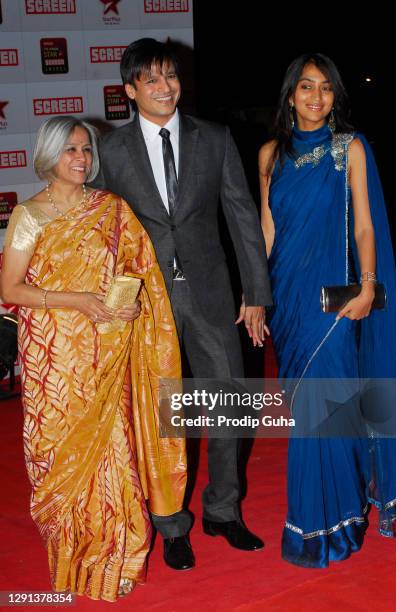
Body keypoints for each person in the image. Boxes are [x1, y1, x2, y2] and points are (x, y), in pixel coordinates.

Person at [91, 38, 273, 570]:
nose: (166, 87)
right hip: (143, 301)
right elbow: (99, 230)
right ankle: (170, 524)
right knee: (161, 416)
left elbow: (241, 217)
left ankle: (223, 510)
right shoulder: (110, 151)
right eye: (151, 80)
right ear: (130, 90)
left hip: (212, 292)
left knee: (229, 404)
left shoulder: (214, 138)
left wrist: (256, 293)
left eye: (171, 76)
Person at [0, 116, 187, 601]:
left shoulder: (111, 209)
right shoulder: (29, 216)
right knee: (60, 453)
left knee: (112, 453)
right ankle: (73, 556)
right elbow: (10, 288)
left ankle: (118, 556)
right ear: (48, 156)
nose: (80, 158)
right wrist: (77, 299)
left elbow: (135, 271)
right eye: (69, 150)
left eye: (85, 149)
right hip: (53, 354)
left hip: (105, 348)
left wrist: (129, 302)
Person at [259, 53, 396, 568]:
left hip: (334, 300)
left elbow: (364, 225)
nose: (316, 97)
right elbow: (267, 232)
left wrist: (368, 285)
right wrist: (256, 294)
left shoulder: (351, 149)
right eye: (306, 87)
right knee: (306, 407)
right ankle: (326, 522)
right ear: (290, 95)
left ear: (335, 97)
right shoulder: (270, 155)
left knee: (331, 409)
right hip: (288, 299)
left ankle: (331, 523)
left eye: (325, 88)